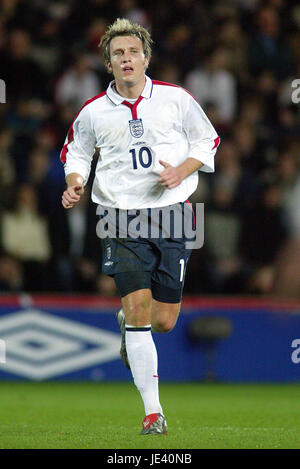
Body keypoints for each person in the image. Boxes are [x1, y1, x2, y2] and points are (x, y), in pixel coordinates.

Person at [60, 18, 220, 435]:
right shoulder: (94, 111)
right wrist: (75, 183)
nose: (126, 59)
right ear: (108, 64)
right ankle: (154, 413)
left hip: (173, 213)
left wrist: (183, 169)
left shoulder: (175, 99)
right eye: (118, 54)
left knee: (164, 320)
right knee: (139, 311)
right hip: (118, 216)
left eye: (132, 52)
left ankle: (128, 323)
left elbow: (208, 141)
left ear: (146, 58)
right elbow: (75, 153)